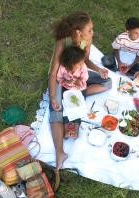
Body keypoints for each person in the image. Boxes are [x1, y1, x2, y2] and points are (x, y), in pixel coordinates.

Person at [49, 11, 112, 172]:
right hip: (61, 78)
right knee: (55, 110)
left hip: (78, 76)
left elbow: (86, 61)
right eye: (90, 30)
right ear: (78, 32)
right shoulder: (64, 41)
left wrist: (99, 69)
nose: (93, 33)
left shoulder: (87, 40)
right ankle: (59, 152)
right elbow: (54, 72)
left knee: (108, 82)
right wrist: (53, 97)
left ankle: (77, 94)